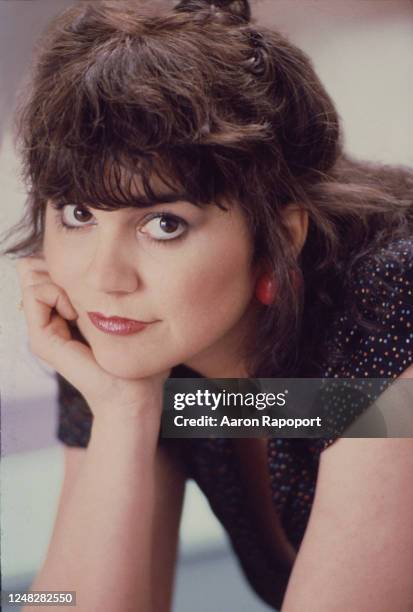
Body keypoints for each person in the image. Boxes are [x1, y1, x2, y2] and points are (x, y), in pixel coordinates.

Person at [2, 0, 413, 610]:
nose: (104, 278)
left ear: (283, 234)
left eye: (164, 223)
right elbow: (57, 602)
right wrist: (122, 411)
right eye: (79, 214)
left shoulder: (389, 307)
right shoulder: (128, 330)